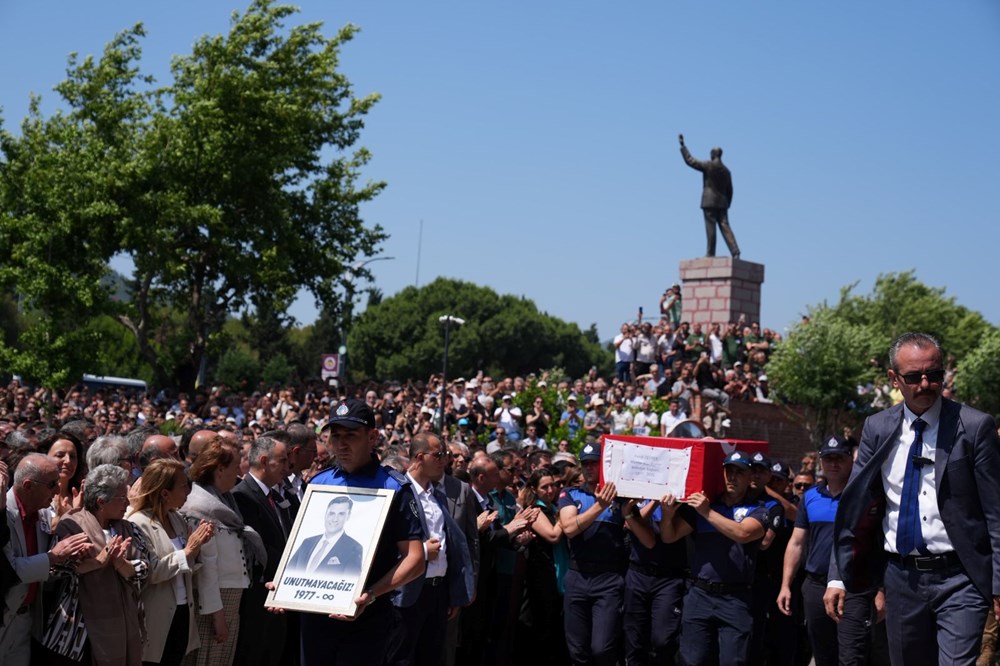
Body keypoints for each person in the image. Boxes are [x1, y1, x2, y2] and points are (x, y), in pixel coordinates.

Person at [825, 332, 1000, 665]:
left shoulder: (975, 426)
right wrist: (838, 574)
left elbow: (996, 512)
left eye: (934, 375)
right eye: (913, 377)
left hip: (961, 576)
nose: (925, 384)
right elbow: (855, 507)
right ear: (894, 379)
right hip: (900, 577)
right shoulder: (877, 427)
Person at [296, 398, 425, 665]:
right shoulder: (319, 483)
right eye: (336, 435)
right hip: (315, 617)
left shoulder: (394, 487)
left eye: (351, 435)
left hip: (367, 618)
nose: (341, 444)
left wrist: (372, 595)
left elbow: (415, 558)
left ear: (372, 436)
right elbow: (299, 549)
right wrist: (285, 585)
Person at [660, 451, 768, 666]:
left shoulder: (758, 510)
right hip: (699, 595)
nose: (732, 477)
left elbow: (743, 534)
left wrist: (707, 513)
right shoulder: (705, 507)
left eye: (739, 472)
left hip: (735, 598)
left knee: (732, 661)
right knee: (692, 660)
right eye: (728, 471)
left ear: (750, 477)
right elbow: (669, 536)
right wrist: (668, 515)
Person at [778, 436, 877, 666]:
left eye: (840, 458)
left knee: (853, 656)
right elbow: (796, 543)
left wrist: (881, 591)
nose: (834, 464)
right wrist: (785, 585)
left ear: (850, 460)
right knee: (823, 655)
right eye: (828, 458)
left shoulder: (865, 495)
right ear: (820, 462)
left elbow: (878, 544)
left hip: (855, 586)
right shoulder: (811, 496)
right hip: (815, 585)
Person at [44, 464, 149, 665]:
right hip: (79, 629)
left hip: (123, 623)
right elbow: (55, 569)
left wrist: (120, 563)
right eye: (122, 498)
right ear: (101, 501)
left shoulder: (129, 528)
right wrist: (98, 562)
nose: (127, 503)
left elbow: (145, 568)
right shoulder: (72, 525)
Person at [388, 433, 474, 666]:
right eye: (438, 455)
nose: (444, 460)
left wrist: (453, 592)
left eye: (445, 455)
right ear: (419, 457)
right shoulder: (397, 492)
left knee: (432, 656)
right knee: (402, 658)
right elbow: (384, 546)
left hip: (438, 593)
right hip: (407, 594)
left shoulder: (437, 496)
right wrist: (422, 552)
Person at [0, 454, 91, 664]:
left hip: (26, 622)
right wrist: (54, 555)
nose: (58, 491)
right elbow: (11, 570)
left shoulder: (43, 515)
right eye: (52, 484)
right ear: (28, 485)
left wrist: (70, 554)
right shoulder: (3, 514)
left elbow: (46, 569)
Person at [181, 437, 263, 666]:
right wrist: (216, 615)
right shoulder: (199, 507)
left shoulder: (224, 501)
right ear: (220, 469)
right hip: (213, 603)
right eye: (235, 466)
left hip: (229, 600)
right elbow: (206, 567)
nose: (239, 472)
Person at [128, 459, 215, 666]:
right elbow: (152, 571)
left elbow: (187, 564)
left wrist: (198, 547)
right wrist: (188, 551)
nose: (188, 491)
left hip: (183, 611)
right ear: (165, 493)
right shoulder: (137, 523)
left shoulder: (176, 519)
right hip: (155, 617)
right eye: (184, 486)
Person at [558, 443, 639, 666]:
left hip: (609, 579)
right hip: (578, 577)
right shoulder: (570, 494)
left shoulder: (620, 497)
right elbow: (570, 528)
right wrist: (599, 506)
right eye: (585, 464)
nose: (589, 468)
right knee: (577, 650)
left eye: (594, 462)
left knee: (602, 648)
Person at [231, 435, 291, 666]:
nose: (287, 467)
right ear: (265, 461)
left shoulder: (274, 494)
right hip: (259, 593)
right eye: (283, 460)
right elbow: (259, 547)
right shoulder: (243, 495)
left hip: (278, 592)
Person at [678, 134, 740, 259]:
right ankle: (735, 251)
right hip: (722, 202)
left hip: (709, 201)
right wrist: (727, 203)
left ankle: (711, 253)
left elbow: (690, 161)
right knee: (725, 225)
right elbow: (730, 190)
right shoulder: (727, 171)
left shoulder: (708, 165)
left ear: (713, 154)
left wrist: (683, 146)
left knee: (710, 227)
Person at [287, 496, 363, 576]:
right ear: (326, 514)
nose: (335, 519)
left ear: (348, 516)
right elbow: (287, 573)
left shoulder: (353, 548)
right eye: (331, 513)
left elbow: (351, 582)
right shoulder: (307, 542)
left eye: (341, 514)